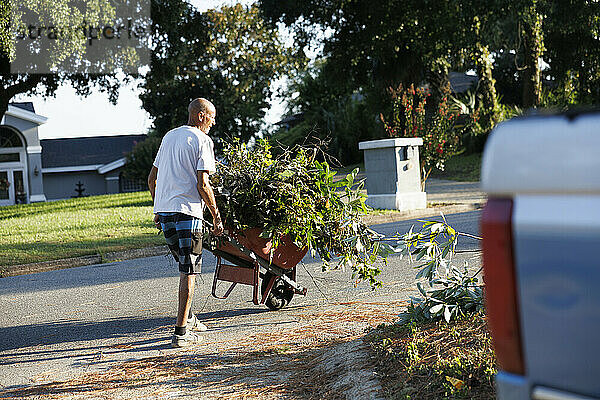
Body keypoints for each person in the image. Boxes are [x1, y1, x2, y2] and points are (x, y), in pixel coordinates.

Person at [148, 98, 224, 348]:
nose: (213, 123)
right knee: (188, 272)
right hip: (188, 214)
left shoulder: (169, 136)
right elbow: (203, 185)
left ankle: (189, 318)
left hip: (166, 215)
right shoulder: (203, 140)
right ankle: (181, 333)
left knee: (183, 264)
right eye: (211, 117)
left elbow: (152, 179)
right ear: (201, 116)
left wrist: (158, 207)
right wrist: (216, 215)